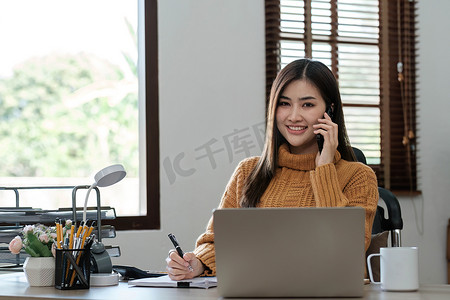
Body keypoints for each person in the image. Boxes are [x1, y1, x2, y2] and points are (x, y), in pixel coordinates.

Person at [166, 58, 379, 280]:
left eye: (307, 104)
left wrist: (324, 168)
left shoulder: (359, 176)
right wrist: (198, 263)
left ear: (330, 111)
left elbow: (346, 249)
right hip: (256, 291)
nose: (294, 116)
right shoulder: (248, 172)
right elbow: (218, 242)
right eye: (284, 104)